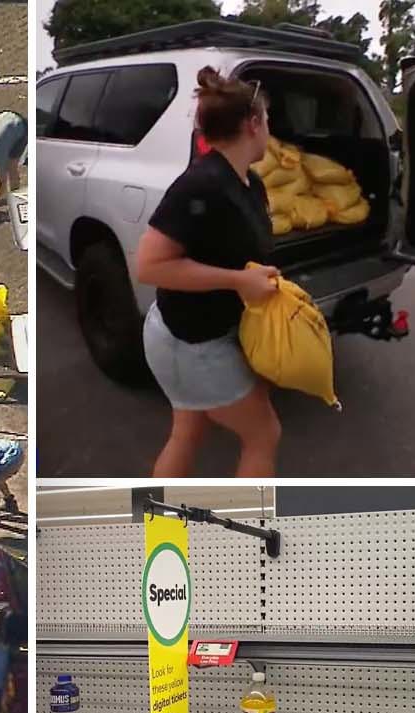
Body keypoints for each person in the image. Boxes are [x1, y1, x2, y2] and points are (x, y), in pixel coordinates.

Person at [135, 67, 281, 478]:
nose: (270, 131)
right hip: (188, 343)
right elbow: (149, 265)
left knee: (189, 432)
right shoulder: (200, 185)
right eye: (268, 120)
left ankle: (158, 522)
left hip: (203, 334)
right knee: (264, 434)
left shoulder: (249, 183)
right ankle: (251, 523)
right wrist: (239, 281)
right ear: (253, 124)